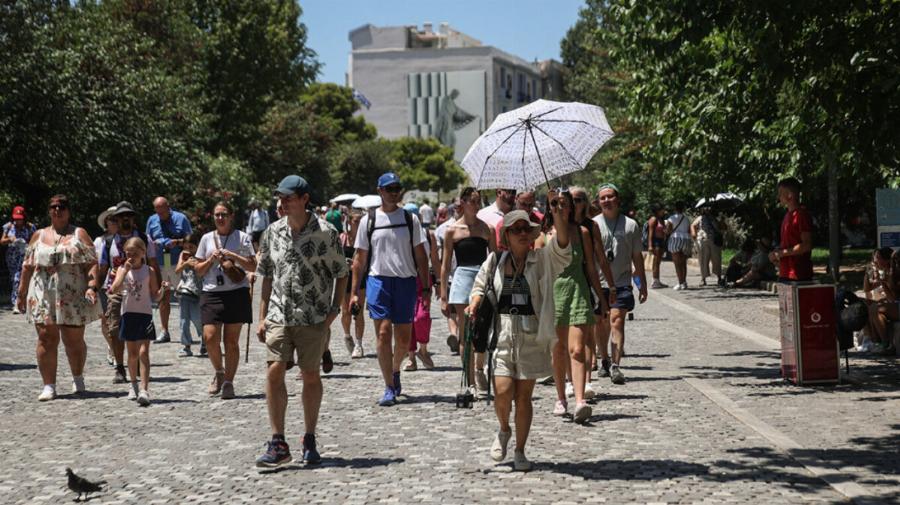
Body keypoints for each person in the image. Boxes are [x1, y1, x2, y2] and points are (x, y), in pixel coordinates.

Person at [466, 200, 572, 471]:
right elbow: (479, 285)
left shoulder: (542, 260)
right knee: (502, 392)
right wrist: (475, 301)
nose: (523, 233)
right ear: (507, 236)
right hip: (501, 337)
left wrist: (560, 214)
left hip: (532, 337)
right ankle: (504, 429)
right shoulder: (495, 261)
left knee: (523, 397)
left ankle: (521, 451)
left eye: (527, 228)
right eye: (516, 229)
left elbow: (562, 248)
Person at [255, 175, 348, 468]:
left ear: (304, 199)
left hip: (313, 316)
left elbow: (341, 272)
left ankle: (309, 437)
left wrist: (334, 311)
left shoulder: (326, 233)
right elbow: (266, 275)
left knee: (310, 375)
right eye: (280, 198)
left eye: (288, 198)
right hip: (279, 314)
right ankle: (277, 441)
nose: (282, 202)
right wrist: (261, 317)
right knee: (274, 372)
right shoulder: (272, 232)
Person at [350, 172, 431, 407]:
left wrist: (425, 286)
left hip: (406, 281)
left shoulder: (410, 219)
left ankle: (395, 370)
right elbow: (359, 258)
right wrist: (355, 291)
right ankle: (388, 386)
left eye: (397, 188)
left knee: (404, 339)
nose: (394, 192)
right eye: (389, 189)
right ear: (380, 191)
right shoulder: (369, 220)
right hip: (379, 281)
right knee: (383, 333)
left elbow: (421, 256)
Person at [17, 195, 101, 400]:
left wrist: (92, 286)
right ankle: (49, 385)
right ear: (49, 211)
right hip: (43, 294)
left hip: (71, 294)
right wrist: (21, 292)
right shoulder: (38, 235)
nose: (57, 210)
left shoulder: (79, 233)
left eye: (62, 206)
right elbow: (27, 266)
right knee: (46, 337)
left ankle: (78, 377)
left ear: (68, 210)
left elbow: (92, 262)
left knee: (73, 340)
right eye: (53, 207)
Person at [547, 189, 606, 423]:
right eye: (554, 203)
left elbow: (591, 266)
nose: (560, 207)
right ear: (549, 207)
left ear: (571, 207)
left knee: (578, 349)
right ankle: (561, 397)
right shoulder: (544, 235)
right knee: (559, 350)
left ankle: (580, 400)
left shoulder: (582, 232)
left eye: (564, 203)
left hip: (578, 292)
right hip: (554, 295)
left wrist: (601, 296)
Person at [194, 201, 256, 400]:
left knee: (231, 341)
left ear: (231, 216)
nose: (220, 218)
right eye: (216, 215)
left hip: (236, 292)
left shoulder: (242, 237)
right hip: (212, 291)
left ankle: (229, 381)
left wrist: (232, 256)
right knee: (210, 337)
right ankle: (219, 372)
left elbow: (253, 266)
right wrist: (211, 260)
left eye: (223, 214)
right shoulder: (206, 239)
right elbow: (198, 270)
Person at [441, 187, 496, 391]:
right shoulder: (452, 231)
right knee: (465, 334)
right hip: (462, 278)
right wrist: (443, 295)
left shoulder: (486, 229)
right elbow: (446, 264)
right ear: (463, 203)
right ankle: (470, 382)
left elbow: (494, 259)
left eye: (478, 201)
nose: (476, 204)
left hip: (482, 277)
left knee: (483, 329)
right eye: (472, 201)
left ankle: (479, 367)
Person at [98, 201, 159, 384]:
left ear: (133, 219)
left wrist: (158, 289)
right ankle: (119, 366)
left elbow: (153, 263)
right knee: (115, 329)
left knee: (140, 330)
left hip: (139, 287)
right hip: (116, 289)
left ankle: (138, 363)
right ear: (115, 219)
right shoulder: (108, 242)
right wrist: (95, 289)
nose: (125, 219)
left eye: (129, 216)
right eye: (121, 216)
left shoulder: (144, 239)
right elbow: (102, 268)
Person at [594, 183, 648, 385]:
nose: (606, 200)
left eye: (610, 197)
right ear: (598, 202)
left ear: (618, 200)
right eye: (602, 198)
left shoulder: (631, 225)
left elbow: (637, 257)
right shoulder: (593, 225)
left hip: (623, 282)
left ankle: (616, 365)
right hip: (599, 284)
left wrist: (641, 284)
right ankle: (605, 360)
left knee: (617, 319)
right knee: (601, 323)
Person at [567, 186, 615, 404]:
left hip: (587, 283)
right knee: (564, 339)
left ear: (585, 202)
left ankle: (585, 381)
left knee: (586, 336)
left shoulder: (590, 226)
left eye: (579, 199)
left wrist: (610, 287)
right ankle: (570, 380)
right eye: (571, 199)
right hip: (565, 285)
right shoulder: (559, 226)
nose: (575, 203)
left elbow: (600, 259)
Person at [110, 237, 162, 406]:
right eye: (128, 254)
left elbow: (155, 294)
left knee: (143, 353)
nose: (131, 257)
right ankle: (133, 385)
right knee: (132, 354)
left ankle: (144, 389)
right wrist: (124, 271)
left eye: (134, 254)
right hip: (128, 314)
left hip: (144, 315)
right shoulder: (122, 269)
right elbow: (114, 289)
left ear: (143, 253)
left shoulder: (149, 271)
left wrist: (164, 291)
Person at [145, 196, 192, 344]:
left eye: (162, 211)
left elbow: (191, 240)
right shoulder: (151, 220)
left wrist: (177, 242)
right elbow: (147, 240)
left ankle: (187, 331)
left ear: (168, 207)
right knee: (163, 297)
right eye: (157, 211)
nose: (160, 214)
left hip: (178, 263)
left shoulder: (181, 218)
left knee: (184, 296)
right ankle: (164, 331)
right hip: (160, 263)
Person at [403, 203, 441, 371]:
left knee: (422, 316)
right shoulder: (401, 233)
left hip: (424, 280)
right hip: (405, 279)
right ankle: (411, 357)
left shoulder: (428, 234)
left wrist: (439, 282)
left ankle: (423, 349)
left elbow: (435, 259)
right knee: (408, 319)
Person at [769, 177, 813, 282]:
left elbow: (807, 245)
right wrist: (776, 254)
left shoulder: (801, 215)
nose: (778, 196)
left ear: (790, 195)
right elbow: (787, 244)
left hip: (798, 274)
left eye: (780, 192)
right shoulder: (787, 216)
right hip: (785, 272)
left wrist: (781, 253)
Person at [435, 200, 462, 354]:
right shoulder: (443, 229)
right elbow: (439, 257)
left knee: (455, 309)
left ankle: (454, 334)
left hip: (457, 273)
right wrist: (439, 280)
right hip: (452, 274)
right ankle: (455, 335)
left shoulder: (443, 228)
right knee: (453, 309)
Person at [93, 206, 118, 365]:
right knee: (104, 319)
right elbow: (95, 263)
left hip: (122, 285)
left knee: (118, 320)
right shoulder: (99, 241)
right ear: (106, 223)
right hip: (104, 284)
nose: (115, 222)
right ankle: (113, 348)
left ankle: (118, 349)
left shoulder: (127, 239)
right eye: (112, 220)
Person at [339, 211, 366, 358]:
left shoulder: (365, 239)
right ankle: (347, 335)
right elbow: (335, 258)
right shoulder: (342, 239)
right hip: (345, 278)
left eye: (361, 221)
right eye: (356, 221)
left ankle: (359, 344)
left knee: (358, 311)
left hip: (361, 277)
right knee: (345, 312)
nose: (358, 223)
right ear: (349, 222)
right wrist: (345, 264)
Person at [175, 232, 205, 357]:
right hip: (184, 291)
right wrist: (185, 263)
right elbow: (177, 271)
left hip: (198, 292)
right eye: (186, 247)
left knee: (198, 319)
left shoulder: (201, 256)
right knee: (184, 321)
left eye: (191, 247)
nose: (188, 250)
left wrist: (196, 264)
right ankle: (186, 346)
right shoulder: (183, 255)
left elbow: (202, 273)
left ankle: (205, 340)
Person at [2, 206, 37, 313]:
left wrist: (27, 243)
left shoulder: (30, 227)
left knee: (20, 278)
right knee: (15, 279)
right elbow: (2, 241)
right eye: (16, 218)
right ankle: (20, 302)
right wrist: (10, 239)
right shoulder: (8, 227)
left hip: (25, 255)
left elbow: (35, 240)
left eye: (20, 218)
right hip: (12, 257)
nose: (18, 221)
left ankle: (17, 303)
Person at [691, 207, 726, 287]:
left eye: (709, 208)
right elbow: (693, 225)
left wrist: (722, 221)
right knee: (703, 260)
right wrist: (694, 234)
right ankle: (703, 279)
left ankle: (719, 278)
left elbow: (724, 228)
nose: (708, 209)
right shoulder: (700, 218)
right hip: (703, 240)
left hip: (715, 241)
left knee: (717, 259)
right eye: (706, 208)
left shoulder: (716, 218)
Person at [666, 202, 692, 290]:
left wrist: (664, 231)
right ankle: (684, 282)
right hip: (686, 239)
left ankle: (680, 283)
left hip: (675, 238)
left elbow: (668, 231)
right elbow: (689, 230)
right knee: (683, 262)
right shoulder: (687, 219)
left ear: (675, 208)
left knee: (677, 263)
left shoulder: (671, 218)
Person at [646, 204, 668, 289]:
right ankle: (654, 281)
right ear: (658, 210)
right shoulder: (653, 219)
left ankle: (657, 280)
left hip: (661, 242)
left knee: (658, 262)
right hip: (656, 242)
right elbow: (650, 233)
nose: (664, 211)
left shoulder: (660, 220)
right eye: (662, 209)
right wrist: (650, 246)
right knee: (655, 262)